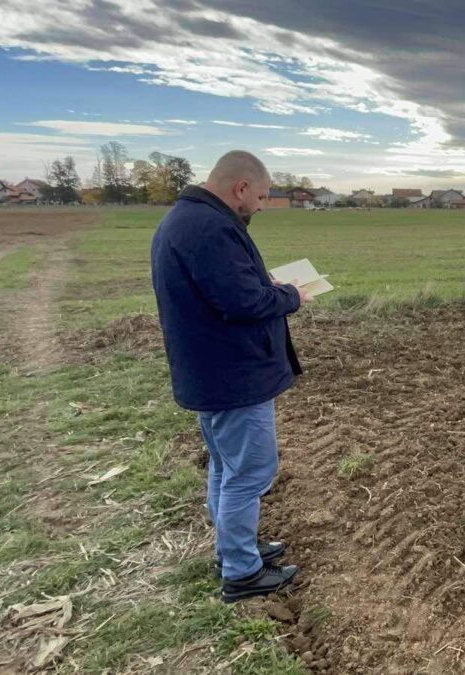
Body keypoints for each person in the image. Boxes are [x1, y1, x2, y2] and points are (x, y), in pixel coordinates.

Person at [150, 150, 312, 603]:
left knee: (226, 466)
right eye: (260, 196)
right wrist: (291, 296)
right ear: (240, 187)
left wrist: (266, 288)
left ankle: (233, 550)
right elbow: (241, 303)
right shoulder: (210, 228)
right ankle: (241, 572)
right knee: (251, 471)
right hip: (232, 375)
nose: (261, 205)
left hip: (211, 371)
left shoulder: (186, 220)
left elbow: (228, 291)